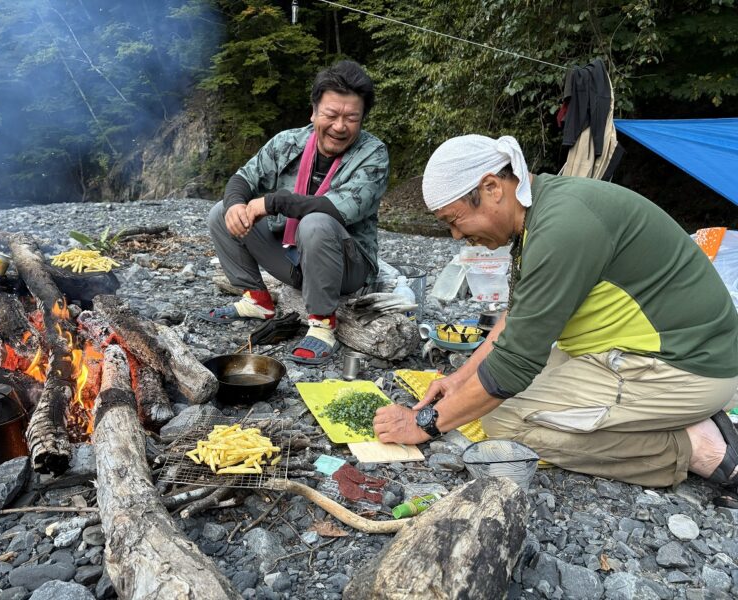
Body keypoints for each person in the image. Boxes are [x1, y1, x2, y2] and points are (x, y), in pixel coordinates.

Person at [373, 134, 738, 490]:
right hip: (660, 349)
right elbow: (516, 320)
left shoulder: (562, 228)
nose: (454, 236)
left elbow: (514, 366)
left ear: (491, 188)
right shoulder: (545, 209)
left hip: (685, 366)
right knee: (481, 394)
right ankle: (666, 416)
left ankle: (694, 448)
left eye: (455, 220)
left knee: (504, 419)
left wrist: (424, 424)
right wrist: (458, 381)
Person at [204, 60, 389, 365]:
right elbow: (243, 178)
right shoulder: (289, 142)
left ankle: (322, 323)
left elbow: (337, 209)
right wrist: (238, 203)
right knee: (221, 212)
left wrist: (272, 203)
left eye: (351, 118)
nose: (340, 126)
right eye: (331, 115)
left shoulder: (373, 155)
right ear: (314, 112)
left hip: (349, 268)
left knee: (316, 222)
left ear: (362, 120)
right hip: (295, 257)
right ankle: (257, 300)